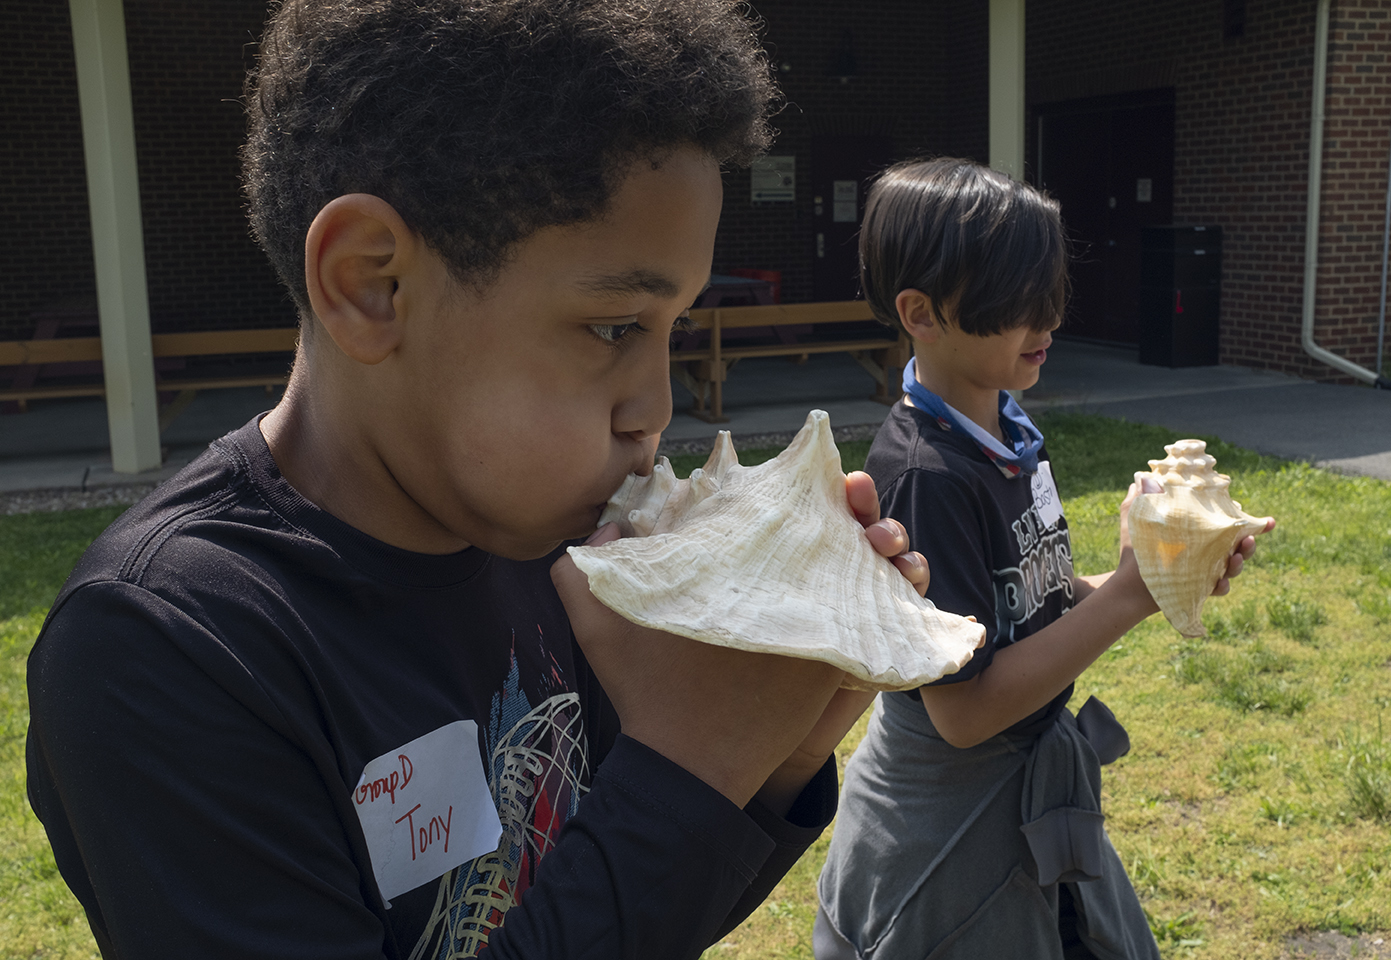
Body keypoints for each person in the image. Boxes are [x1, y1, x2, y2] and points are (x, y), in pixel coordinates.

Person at [24, 2, 918, 957]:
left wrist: (777, 746)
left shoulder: (546, 548)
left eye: (675, 332)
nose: (656, 409)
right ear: (373, 285)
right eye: (615, 328)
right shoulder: (165, 648)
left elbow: (625, 891)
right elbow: (644, 849)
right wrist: (692, 766)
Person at [813, 159, 1274, 960]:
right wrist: (1126, 598)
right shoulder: (927, 475)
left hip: (1026, 784)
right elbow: (963, 711)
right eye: (1011, 304)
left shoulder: (1010, 432)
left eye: (1050, 294)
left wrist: (1158, 577)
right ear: (921, 312)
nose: (1044, 321)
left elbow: (1032, 610)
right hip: (948, 817)